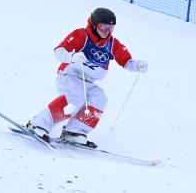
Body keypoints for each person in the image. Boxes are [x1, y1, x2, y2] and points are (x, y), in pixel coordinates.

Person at [27, 8, 148, 147]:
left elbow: (126, 61)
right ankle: (38, 123)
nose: (107, 31)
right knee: (74, 98)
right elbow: (59, 51)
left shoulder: (112, 44)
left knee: (99, 99)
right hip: (69, 76)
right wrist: (71, 57)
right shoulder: (80, 35)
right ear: (94, 24)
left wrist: (137, 66)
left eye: (111, 28)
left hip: (88, 82)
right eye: (103, 27)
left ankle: (75, 132)